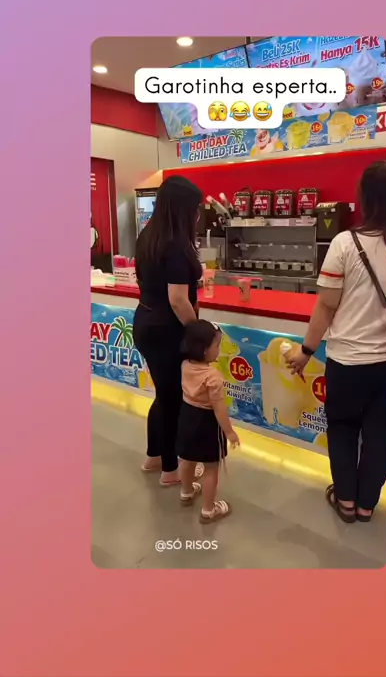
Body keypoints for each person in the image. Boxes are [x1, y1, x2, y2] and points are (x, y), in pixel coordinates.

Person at [286, 161, 386, 523]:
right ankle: (366, 506)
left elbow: (326, 307)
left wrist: (305, 351)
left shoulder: (345, 243)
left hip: (347, 362)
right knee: (380, 435)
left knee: (343, 428)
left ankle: (346, 501)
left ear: (365, 199)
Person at [133, 175, 204, 485]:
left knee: (163, 395)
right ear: (182, 209)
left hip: (146, 322)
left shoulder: (148, 235)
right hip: (167, 330)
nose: (198, 215)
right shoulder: (176, 245)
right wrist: (197, 332)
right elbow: (177, 299)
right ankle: (171, 470)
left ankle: (154, 456)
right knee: (173, 399)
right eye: (195, 208)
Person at [177, 320, 240, 523]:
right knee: (211, 468)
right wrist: (229, 432)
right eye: (217, 346)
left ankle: (186, 492)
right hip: (207, 424)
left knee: (187, 459)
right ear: (204, 350)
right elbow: (219, 408)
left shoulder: (185, 365)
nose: (219, 350)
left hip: (186, 417)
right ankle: (208, 510)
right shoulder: (213, 377)